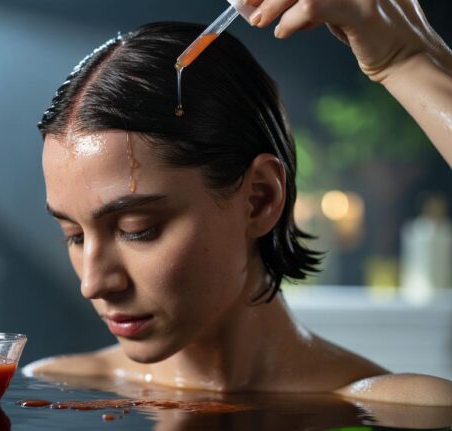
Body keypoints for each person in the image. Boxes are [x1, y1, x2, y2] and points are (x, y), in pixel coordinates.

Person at [25, 0, 452, 406]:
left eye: (138, 228)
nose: (94, 284)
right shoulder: (54, 388)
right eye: (74, 236)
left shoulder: (406, 411)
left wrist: (406, 58)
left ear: (260, 199)